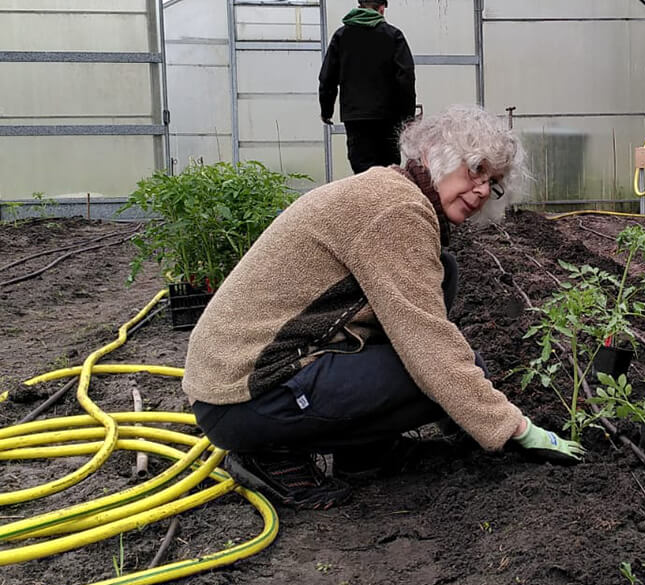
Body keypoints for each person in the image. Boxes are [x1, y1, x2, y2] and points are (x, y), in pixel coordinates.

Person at [183, 105, 583, 510]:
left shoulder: (393, 193)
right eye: (476, 169)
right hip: (244, 396)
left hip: (245, 382)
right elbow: (428, 348)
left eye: (493, 183)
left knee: (442, 277)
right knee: (435, 379)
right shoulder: (397, 210)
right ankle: (269, 453)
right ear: (436, 155)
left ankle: (364, 455)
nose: (482, 189)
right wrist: (512, 426)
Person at [319, 0, 416, 174]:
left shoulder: (342, 36)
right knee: (389, 172)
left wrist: (326, 110)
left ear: (360, 6)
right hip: (388, 119)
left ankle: (367, 201)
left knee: (362, 172)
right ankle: (388, 201)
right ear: (381, 8)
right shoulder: (393, 35)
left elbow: (327, 77)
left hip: (356, 119)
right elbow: (406, 78)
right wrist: (407, 117)